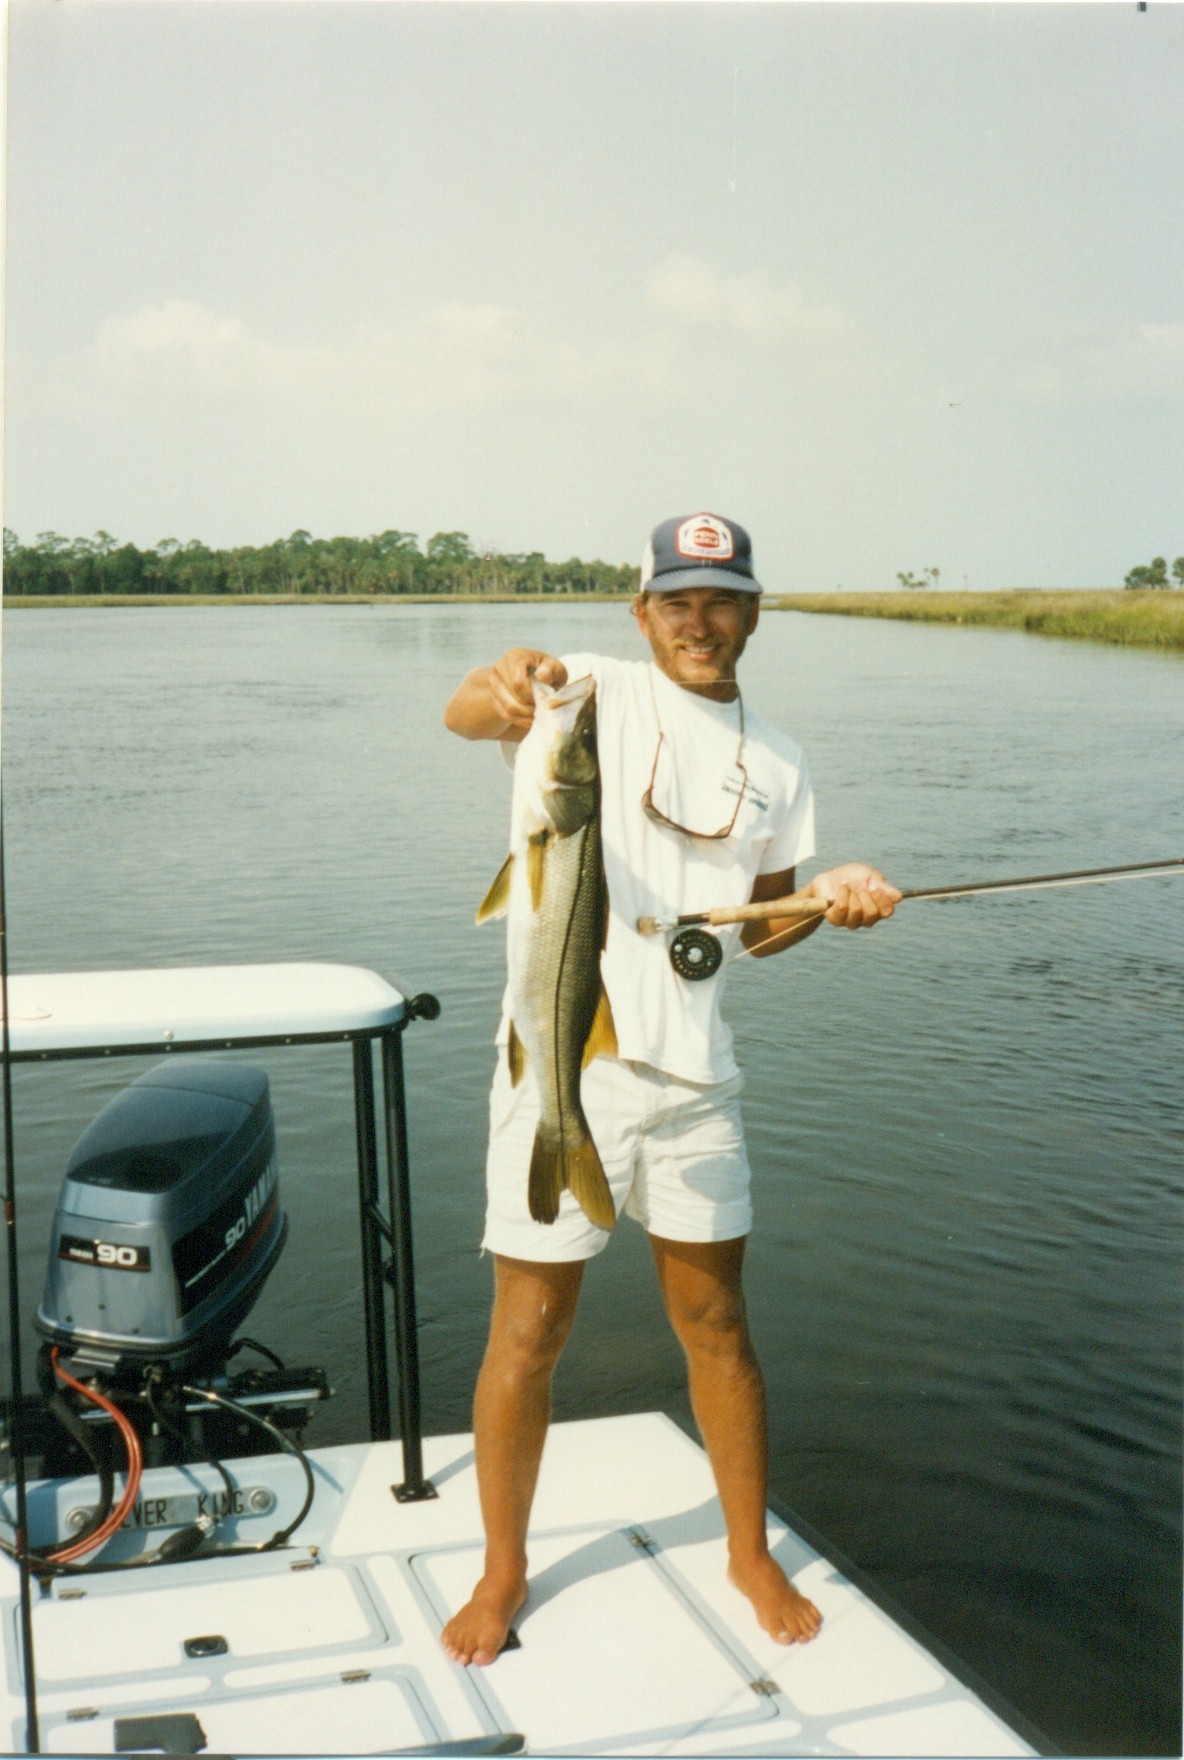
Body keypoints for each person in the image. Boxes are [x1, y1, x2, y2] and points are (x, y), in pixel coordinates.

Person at [441, 512, 900, 1667]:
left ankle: (745, 1550)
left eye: (722, 600)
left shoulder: (780, 759)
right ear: (640, 613)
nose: (699, 622)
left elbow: (761, 931)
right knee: (529, 1325)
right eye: (676, 601)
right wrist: (503, 685)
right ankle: (502, 1565)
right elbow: (466, 712)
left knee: (717, 1324)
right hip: (562, 1067)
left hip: (696, 1078)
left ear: (752, 612)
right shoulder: (586, 694)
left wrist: (827, 899)